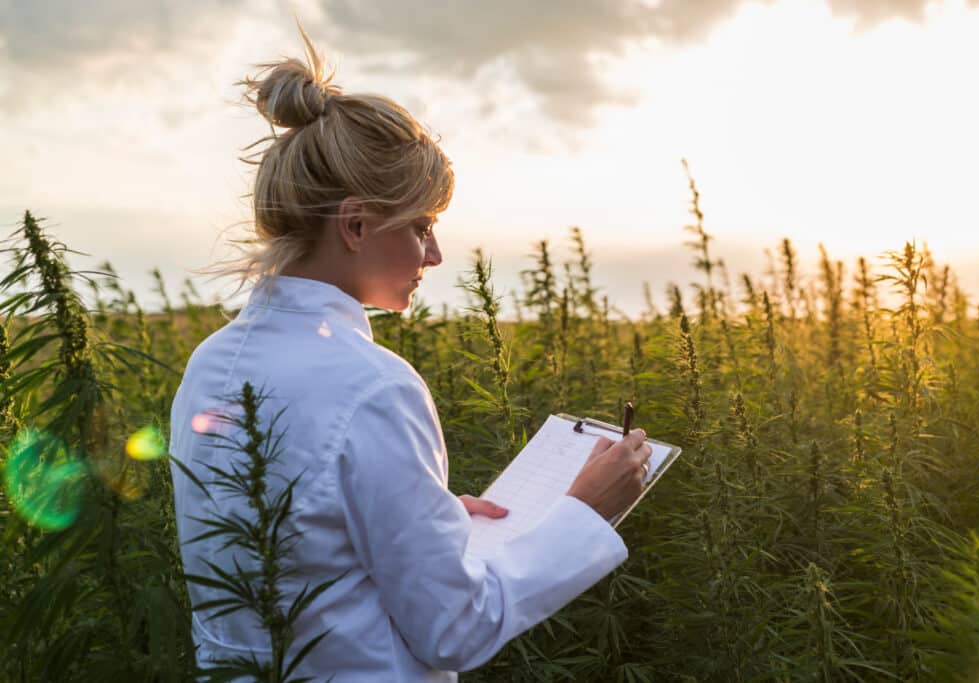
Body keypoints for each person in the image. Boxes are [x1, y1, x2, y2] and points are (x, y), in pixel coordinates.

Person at [169, 26, 653, 681]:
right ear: (357, 224)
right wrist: (583, 514)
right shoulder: (374, 387)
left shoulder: (210, 363)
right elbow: (456, 627)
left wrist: (432, 516)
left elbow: (294, 548)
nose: (435, 253)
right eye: (421, 224)